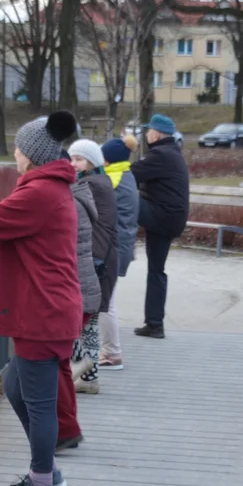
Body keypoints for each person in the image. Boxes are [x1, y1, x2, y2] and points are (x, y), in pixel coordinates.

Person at [0, 111, 82, 486]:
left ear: (33, 154)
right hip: (44, 310)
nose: (16, 153)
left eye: (20, 146)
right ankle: (47, 472)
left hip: (44, 312)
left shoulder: (40, 193)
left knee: (38, 402)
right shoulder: (47, 188)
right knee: (16, 389)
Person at [53, 144, 102, 452]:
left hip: (74, 290)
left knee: (55, 363)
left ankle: (65, 429)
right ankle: (67, 428)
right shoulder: (75, 193)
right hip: (81, 288)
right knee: (59, 362)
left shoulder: (68, 198)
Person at [131, 114, 189, 339]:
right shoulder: (170, 153)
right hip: (169, 218)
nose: (146, 135)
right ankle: (155, 324)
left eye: (148, 132)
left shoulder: (161, 155)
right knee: (156, 270)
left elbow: (130, 175)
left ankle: (111, 237)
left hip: (163, 216)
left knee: (123, 197)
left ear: (156, 134)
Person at [68, 138, 118, 393]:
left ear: (92, 162)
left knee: (73, 319)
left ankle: (81, 363)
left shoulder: (88, 185)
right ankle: (90, 380)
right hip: (102, 259)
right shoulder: (102, 182)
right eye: (72, 158)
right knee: (89, 322)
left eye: (79, 159)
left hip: (92, 260)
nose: (73, 163)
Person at [97, 136, 141, 370]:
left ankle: (113, 354)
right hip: (119, 247)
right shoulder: (125, 175)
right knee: (104, 301)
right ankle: (109, 351)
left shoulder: (113, 180)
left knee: (105, 303)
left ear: (107, 159)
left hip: (111, 249)